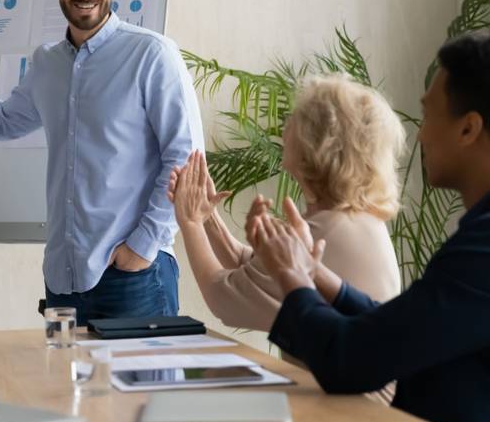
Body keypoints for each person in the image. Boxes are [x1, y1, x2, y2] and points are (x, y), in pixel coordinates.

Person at [249, 33, 490, 422]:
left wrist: (292, 276)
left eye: (427, 116)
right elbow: (404, 330)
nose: (420, 135)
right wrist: (320, 277)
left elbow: (349, 361)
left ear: (469, 128)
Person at [0, 0, 204, 323]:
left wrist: (141, 249)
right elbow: (0, 121)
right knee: (67, 386)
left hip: (134, 277)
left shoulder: (152, 55)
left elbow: (185, 158)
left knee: (140, 387)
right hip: (63, 279)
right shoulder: (47, 63)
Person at [169, 74, 405, 331]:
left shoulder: (331, 229)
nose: (285, 126)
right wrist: (207, 218)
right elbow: (254, 267)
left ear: (316, 142)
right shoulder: (347, 219)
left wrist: (190, 222)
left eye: (294, 118)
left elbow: (223, 298)